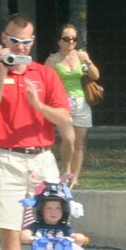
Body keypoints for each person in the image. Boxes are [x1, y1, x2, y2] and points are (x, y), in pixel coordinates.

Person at [0, 13, 72, 250]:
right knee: (10, 232)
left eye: (26, 42)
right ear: (4, 39)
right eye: (15, 41)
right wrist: (1, 75)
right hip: (5, 159)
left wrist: (38, 105)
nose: (20, 47)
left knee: (51, 227)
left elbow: (64, 117)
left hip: (41, 158)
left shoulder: (45, 75)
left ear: (33, 42)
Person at [45, 24, 98, 186]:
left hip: (81, 102)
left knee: (79, 144)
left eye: (74, 39)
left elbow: (95, 76)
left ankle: (74, 178)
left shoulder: (81, 56)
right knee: (68, 139)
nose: (71, 42)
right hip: (62, 103)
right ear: (59, 41)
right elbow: (46, 82)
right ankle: (66, 171)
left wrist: (87, 61)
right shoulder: (52, 60)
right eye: (67, 39)